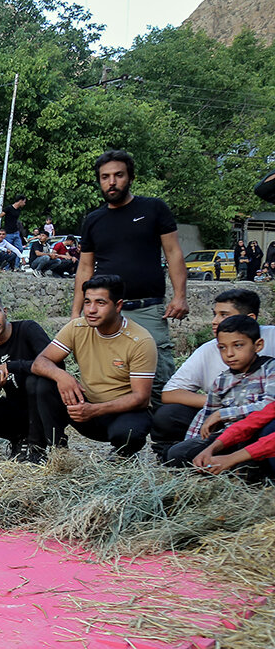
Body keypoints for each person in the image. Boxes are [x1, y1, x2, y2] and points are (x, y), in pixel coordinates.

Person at [76, 150, 188, 406]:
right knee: (110, 377)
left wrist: (180, 296)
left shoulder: (154, 208)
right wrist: (77, 310)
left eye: (118, 175)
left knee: (160, 378)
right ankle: (124, 438)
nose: (111, 182)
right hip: (105, 311)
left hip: (148, 307)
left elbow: (173, 253)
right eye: (105, 177)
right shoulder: (93, 220)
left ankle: (165, 442)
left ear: (131, 177)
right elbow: (84, 267)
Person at [31, 276, 156, 457]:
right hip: (85, 407)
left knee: (129, 433)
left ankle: (123, 454)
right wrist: (62, 376)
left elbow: (141, 398)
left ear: (118, 305)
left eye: (100, 303)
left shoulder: (140, 341)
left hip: (121, 412)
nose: (91, 310)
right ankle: (59, 450)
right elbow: (39, 362)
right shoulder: (77, 327)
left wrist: (94, 410)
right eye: (87, 302)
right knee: (42, 382)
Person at [153, 289, 275, 459]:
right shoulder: (221, 375)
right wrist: (196, 442)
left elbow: (270, 406)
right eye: (222, 348)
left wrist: (225, 412)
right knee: (176, 443)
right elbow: (205, 412)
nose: (215, 321)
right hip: (226, 429)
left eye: (224, 315)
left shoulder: (269, 365)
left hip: (261, 424)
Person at [0, 291, 53, 460]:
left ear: (5, 311)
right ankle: (20, 439)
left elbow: (53, 365)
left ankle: (37, 448)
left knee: (34, 381)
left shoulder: (28, 329)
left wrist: (9, 366)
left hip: (46, 405)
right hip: (18, 410)